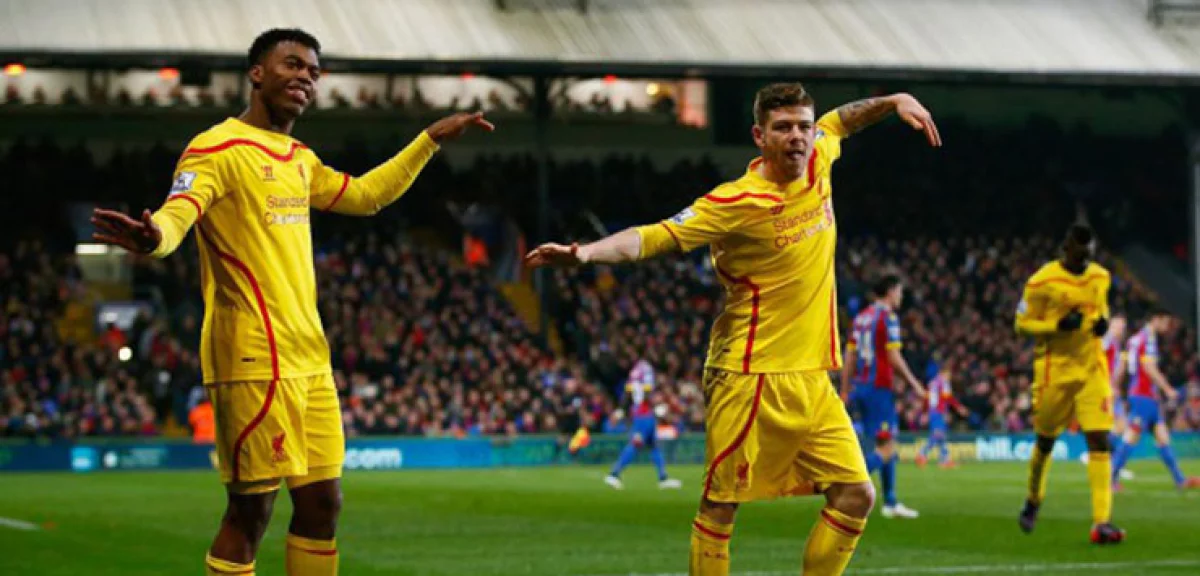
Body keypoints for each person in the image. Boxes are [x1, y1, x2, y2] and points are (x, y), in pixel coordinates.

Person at [90, 28, 493, 576]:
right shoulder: (216, 148)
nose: (305, 77)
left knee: (323, 505)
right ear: (257, 73)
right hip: (253, 357)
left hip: (310, 360)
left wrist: (429, 140)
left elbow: (367, 196)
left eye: (313, 71)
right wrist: (154, 238)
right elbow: (178, 213)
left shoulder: (299, 158)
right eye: (293, 64)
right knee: (251, 512)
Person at [526, 82, 940, 576]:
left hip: (811, 375)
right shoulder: (735, 201)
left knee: (856, 494)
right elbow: (656, 236)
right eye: (783, 128)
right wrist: (585, 253)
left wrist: (893, 102)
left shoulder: (819, 155)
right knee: (721, 507)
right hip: (748, 374)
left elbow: (841, 120)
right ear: (759, 136)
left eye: (803, 126)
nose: (798, 137)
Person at [1013, 224, 1123, 544]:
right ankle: (1033, 500)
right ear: (1066, 249)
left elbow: (1101, 309)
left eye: (1089, 254)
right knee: (1045, 442)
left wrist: (1103, 323)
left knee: (1099, 439)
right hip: (1055, 372)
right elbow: (1021, 324)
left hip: (1091, 369)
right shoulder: (1041, 281)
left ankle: (1102, 522)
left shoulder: (1100, 277)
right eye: (1079, 254)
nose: (1084, 260)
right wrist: (1056, 325)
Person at [841, 275, 927, 519]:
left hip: (861, 387)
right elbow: (893, 356)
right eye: (899, 291)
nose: (901, 296)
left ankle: (890, 502)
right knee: (889, 448)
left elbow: (850, 356)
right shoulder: (887, 317)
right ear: (890, 291)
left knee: (884, 443)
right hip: (879, 388)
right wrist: (914, 384)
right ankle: (849, 486)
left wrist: (845, 389)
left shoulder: (861, 318)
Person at [1109, 310, 1200, 491]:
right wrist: (1167, 388)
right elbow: (1148, 367)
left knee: (1162, 437)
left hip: (1144, 396)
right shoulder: (1147, 338)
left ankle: (1180, 480)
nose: (1167, 327)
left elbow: (1124, 366)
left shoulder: (1134, 339)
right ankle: (1110, 478)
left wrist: (1116, 385)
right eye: (1165, 322)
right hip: (1143, 396)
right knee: (1131, 436)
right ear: (1156, 320)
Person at [604, 359, 683, 490]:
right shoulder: (646, 370)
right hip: (644, 413)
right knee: (636, 444)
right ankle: (614, 474)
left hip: (640, 412)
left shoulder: (634, 372)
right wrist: (655, 407)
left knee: (654, 446)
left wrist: (622, 410)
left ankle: (663, 477)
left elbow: (627, 394)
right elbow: (647, 392)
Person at [915, 364, 967, 469]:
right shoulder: (943, 382)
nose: (949, 377)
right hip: (938, 412)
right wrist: (959, 407)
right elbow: (948, 398)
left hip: (933, 412)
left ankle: (944, 459)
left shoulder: (933, 382)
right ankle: (922, 454)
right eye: (948, 374)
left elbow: (927, 398)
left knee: (941, 436)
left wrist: (925, 412)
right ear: (943, 373)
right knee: (937, 435)